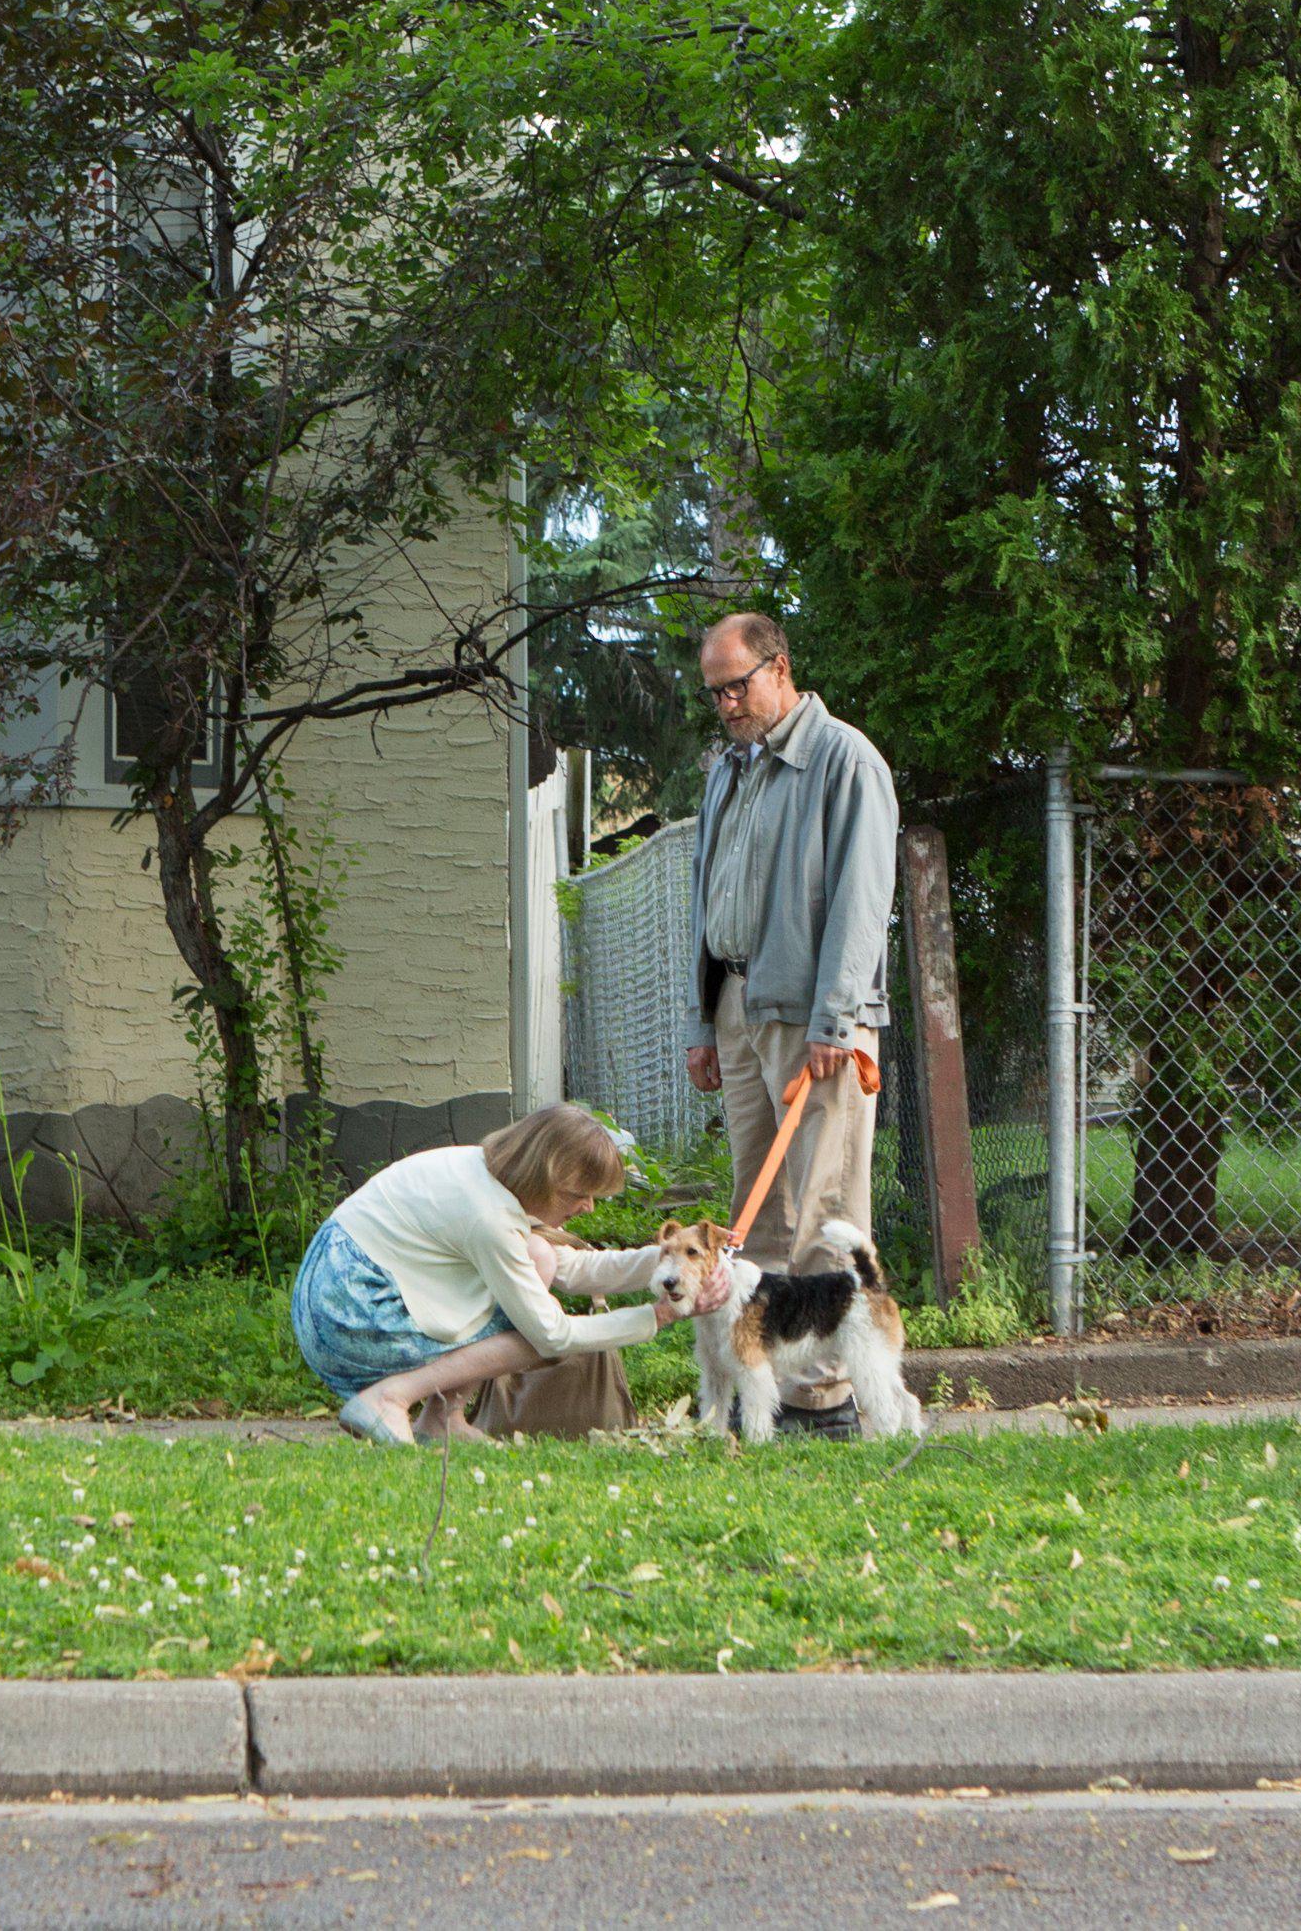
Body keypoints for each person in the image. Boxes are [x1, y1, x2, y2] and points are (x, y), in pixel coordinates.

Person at [681, 611, 899, 1438]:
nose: (726, 704)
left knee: (821, 1202)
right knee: (759, 1203)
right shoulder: (728, 771)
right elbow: (704, 898)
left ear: (780, 668)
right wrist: (701, 1021)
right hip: (737, 1005)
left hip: (816, 1019)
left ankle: (828, 1397)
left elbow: (862, 900)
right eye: (714, 693)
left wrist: (835, 1018)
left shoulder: (845, 759)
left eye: (736, 686)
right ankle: (767, 1388)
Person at [291, 1103, 725, 1444]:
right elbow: (551, 1336)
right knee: (536, 1332)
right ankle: (390, 1399)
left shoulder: (484, 1173)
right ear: (545, 1175)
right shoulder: (489, 1218)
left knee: (541, 1256)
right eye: (579, 1194)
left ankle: (442, 1420)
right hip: (351, 1318)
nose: (588, 1207)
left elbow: (573, 1267)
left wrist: (677, 1258)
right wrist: (661, 1315)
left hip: (336, 1297)